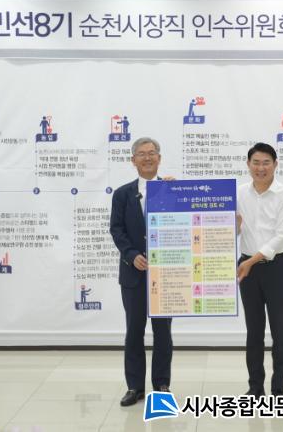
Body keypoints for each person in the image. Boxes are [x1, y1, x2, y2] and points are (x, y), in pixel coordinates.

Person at [110, 137, 173, 406]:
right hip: (133, 275)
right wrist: (131, 255)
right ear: (133, 160)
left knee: (163, 333)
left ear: (159, 158)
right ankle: (134, 387)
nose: (147, 158)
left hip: (165, 275)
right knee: (134, 331)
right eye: (142, 154)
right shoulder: (122, 194)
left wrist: (177, 191)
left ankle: (161, 384)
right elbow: (116, 229)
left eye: (152, 153)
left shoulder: (171, 189)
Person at [236, 142, 283, 397]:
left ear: (275, 164)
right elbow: (230, 229)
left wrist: (250, 262)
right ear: (248, 165)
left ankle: (278, 389)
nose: (261, 168)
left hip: (276, 267)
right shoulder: (239, 193)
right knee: (254, 330)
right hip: (247, 268)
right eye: (256, 163)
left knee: (280, 330)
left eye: (266, 163)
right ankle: (255, 387)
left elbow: (281, 236)